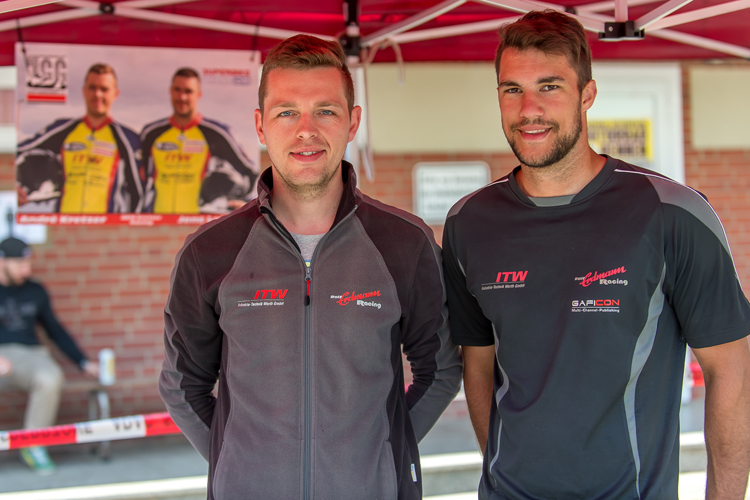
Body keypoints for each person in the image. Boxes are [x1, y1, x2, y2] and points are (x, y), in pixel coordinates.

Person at [443, 10, 750, 500]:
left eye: (550, 87)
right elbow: (478, 365)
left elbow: (731, 370)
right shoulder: (467, 224)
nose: (529, 109)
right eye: (511, 90)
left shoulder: (674, 214)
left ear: (587, 94)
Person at [159, 35, 462, 499]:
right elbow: (183, 385)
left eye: (325, 110)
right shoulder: (210, 252)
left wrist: (383, 454)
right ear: (260, 125)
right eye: (286, 112)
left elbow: (439, 370)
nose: (306, 130)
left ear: (352, 121)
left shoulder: (404, 243)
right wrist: (238, 462)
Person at [0, 237, 98, 474]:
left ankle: (32, 443)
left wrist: (82, 362)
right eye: (20, 265)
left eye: (28, 264)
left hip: (30, 354)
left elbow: (55, 330)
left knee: (50, 376)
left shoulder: (36, 290)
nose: (27, 270)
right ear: (2, 262)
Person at [16, 63, 143, 214]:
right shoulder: (62, 128)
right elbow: (17, 151)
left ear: (115, 94)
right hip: (64, 228)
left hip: (109, 230)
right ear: (84, 91)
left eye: (104, 89)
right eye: (92, 87)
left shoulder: (128, 139)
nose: (97, 94)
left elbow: (138, 193)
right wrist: (13, 186)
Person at [139, 68, 259, 214]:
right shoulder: (151, 133)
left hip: (201, 225)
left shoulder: (217, 133)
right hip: (158, 222)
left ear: (198, 94)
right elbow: (139, 176)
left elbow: (251, 171)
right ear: (170, 91)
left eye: (188, 91)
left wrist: (246, 204)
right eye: (177, 90)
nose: (182, 97)